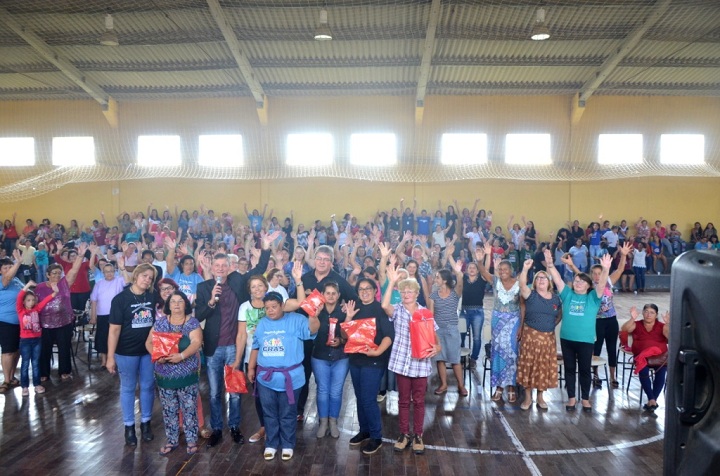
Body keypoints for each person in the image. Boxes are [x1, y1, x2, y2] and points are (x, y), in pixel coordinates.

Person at [195, 231, 278, 448]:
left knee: (235, 392)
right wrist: (212, 300)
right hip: (213, 347)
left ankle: (234, 427)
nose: (221, 269)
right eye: (217, 266)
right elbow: (199, 315)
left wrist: (266, 247)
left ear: (229, 267)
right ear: (211, 268)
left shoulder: (238, 282)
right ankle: (216, 429)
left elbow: (259, 271)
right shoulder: (204, 288)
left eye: (224, 265)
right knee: (214, 393)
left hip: (234, 346)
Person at [247, 291, 319, 461]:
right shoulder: (262, 324)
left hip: (291, 377)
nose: (270, 310)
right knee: (269, 412)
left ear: (282, 306)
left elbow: (312, 330)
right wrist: (251, 368)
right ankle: (271, 444)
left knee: (288, 413)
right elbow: (256, 346)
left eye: (274, 307)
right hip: (266, 377)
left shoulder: (296, 320)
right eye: (267, 308)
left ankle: (287, 444)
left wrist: (314, 316)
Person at [382, 266, 440, 455]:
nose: (406, 294)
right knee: (403, 401)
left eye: (410, 291)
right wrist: (391, 282)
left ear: (417, 294)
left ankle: (418, 435)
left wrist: (437, 347)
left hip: (420, 363)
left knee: (420, 401)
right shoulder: (397, 310)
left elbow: (435, 337)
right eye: (403, 291)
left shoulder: (425, 313)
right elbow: (384, 305)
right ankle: (404, 434)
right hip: (402, 362)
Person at [545, 250, 611, 412]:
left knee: (584, 370)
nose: (578, 283)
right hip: (567, 339)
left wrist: (606, 269)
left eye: (582, 281)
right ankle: (572, 399)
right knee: (569, 369)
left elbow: (601, 285)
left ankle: (586, 399)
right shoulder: (567, 294)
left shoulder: (593, 298)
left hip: (586, 340)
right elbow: (558, 279)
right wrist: (550, 265)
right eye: (576, 280)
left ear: (589, 286)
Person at [564, 242, 631, 389]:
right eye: (593, 273)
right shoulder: (588, 285)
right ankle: (596, 375)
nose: (596, 276)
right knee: (596, 349)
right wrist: (571, 265)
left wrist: (624, 255)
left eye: (598, 273)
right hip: (597, 321)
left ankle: (613, 377)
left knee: (612, 348)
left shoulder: (608, 282)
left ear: (603, 273)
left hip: (611, 320)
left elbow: (620, 269)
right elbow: (578, 274)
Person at [146, 290, 203, 455]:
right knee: (169, 409)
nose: (176, 305)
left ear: (185, 304)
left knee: (189, 408)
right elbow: (149, 342)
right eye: (173, 302)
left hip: (187, 375)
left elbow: (196, 342)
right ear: (168, 305)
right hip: (165, 376)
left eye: (180, 301)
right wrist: (156, 357)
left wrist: (182, 356)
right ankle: (172, 440)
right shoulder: (161, 323)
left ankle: (192, 441)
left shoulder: (191, 323)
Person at [107, 263, 158, 446]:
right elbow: (114, 330)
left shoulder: (152, 296)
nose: (147, 280)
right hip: (126, 352)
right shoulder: (121, 299)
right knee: (128, 388)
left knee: (148, 386)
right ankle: (129, 427)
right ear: (135, 276)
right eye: (144, 276)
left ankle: (146, 423)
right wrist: (110, 357)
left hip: (147, 352)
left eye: (150, 277)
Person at [345, 278, 395, 456]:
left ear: (375, 291)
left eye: (368, 289)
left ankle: (376, 436)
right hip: (355, 360)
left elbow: (389, 335)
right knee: (360, 398)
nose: (364, 291)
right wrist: (349, 317)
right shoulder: (354, 308)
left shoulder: (380, 309)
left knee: (368, 399)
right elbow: (345, 336)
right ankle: (364, 430)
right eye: (361, 289)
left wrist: (377, 352)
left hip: (374, 361)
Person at [36, 243, 92, 382]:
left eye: (59, 273)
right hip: (45, 324)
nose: (57, 275)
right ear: (47, 274)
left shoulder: (64, 283)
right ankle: (44, 373)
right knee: (45, 349)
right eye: (53, 273)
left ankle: (64, 371)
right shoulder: (40, 288)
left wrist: (80, 256)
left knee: (64, 347)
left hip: (64, 322)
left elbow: (74, 270)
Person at [477, 242, 522, 403]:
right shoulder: (495, 281)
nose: (503, 272)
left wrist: (521, 327)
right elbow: (482, 271)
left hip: (513, 322)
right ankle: (499, 387)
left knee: (512, 353)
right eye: (500, 269)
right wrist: (480, 260)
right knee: (498, 354)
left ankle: (511, 387)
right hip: (497, 321)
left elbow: (523, 306)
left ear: (511, 271)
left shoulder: (518, 283)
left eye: (505, 269)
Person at [516, 259, 561, 410]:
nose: (541, 280)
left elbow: (559, 315)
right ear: (535, 282)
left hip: (548, 339)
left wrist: (550, 326)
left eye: (544, 278)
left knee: (543, 368)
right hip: (530, 337)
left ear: (549, 282)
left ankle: (540, 397)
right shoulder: (531, 295)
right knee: (528, 367)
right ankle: (528, 398)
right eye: (538, 278)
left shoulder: (555, 299)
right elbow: (522, 285)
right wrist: (525, 269)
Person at [311, 281, 349, 439]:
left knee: (336, 391)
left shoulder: (344, 310)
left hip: (341, 356)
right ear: (323, 295)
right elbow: (312, 330)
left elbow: (348, 336)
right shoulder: (316, 310)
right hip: (320, 355)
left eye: (334, 293)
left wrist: (340, 340)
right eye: (328, 293)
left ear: (339, 295)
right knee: (322, 390)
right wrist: (313, 314)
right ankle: (323, 422)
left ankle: (333, 422)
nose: (331, 296)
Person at [427, 244, 466, 397]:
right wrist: (432, 331)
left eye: (437, 277)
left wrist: (450, 258)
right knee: (440, 359)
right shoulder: (434, 294)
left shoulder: (455, 293)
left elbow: (460, 279)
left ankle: (461, 386)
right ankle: (443, 384)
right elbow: (431, 314)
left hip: (451, 329)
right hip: (438, 329)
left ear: (444, 280)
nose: (435, 279)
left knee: (455, 359)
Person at [621, 304, 670, 413]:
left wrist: (669, 323)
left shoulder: (662, 326)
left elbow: (671, 337)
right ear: (642, 313)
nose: (648, 315)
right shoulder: (637, 324)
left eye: (652, 312)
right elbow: (624, 329)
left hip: (660, 357)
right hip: (641, 356)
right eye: (646, 312)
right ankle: (652, 400)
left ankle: (652, 400)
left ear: (656, 315)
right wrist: (632, 318)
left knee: (661, 373)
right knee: (643, 369)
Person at [239, 275, 270, 444]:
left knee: (275, 394)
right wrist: (238, 360)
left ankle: (277, 426)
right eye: (253, 286)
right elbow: (242, 335)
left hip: (273, 356)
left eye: (260, 285)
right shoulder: (244, 307)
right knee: (258, 395)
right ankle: (264, 427)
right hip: (252, 358)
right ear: (249, 290)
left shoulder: (272, 305)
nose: (257, 289)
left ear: (266, 287)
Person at [89, 262, 126, 369]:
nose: (109, 273)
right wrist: (93, 316)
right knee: (102, 337)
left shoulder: (119, 280)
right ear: (103, 273)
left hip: (117, 314)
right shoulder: (99, 283)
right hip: (102, 314)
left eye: (111, 271)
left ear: (115, 271)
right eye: (106, 272)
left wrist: (122, 269)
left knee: (117, 337)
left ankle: (115, 359)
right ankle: (104, 361)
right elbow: (94, 301)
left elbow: (128, 281)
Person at [0, 251, 23, 393]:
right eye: (5, 268)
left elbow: (28, 291)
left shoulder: (17, 281)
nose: (9, 270)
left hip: (20, 322)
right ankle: (6, 380)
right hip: (5, 321)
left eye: (11, 267)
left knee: (16, 351)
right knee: (8, 351)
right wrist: (18, 262)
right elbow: (7, 277)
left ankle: (12, 376)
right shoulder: (3, 281)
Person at [460, 257, 489, 369]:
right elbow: (456, 271)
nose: (472, 269)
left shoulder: (481, 279)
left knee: (477, 337)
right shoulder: (463, 278)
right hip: (464, 311)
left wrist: (487, 254)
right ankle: (461, 356)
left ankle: (473, 359)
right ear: (467, 270)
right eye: (470, 267)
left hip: (477, 312)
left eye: (474, 267)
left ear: (477, 271)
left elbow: (485, 269)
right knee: (460, 335)